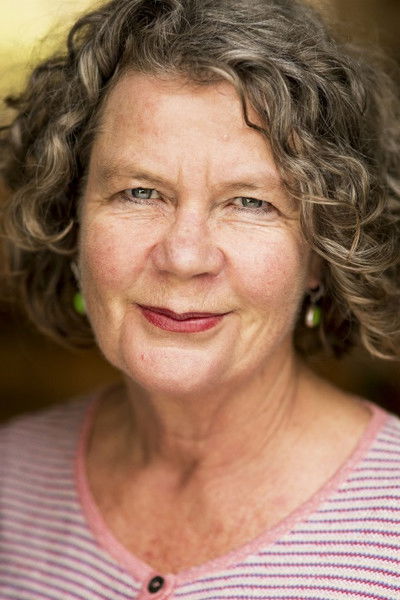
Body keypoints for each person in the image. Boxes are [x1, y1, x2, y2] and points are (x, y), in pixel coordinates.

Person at [1, 0, 400, 598]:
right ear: (70, 220)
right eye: (140, 192)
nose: (184, 257)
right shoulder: (11, 479)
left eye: (250, 202)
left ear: (324, 251)